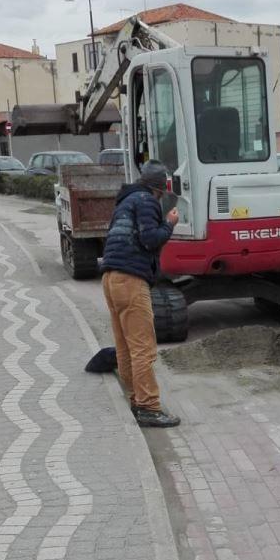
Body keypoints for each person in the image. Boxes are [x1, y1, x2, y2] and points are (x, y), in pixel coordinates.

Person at [100, 162, 181, 428]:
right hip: (131, 280)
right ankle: (148, 407)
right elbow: (150, 238)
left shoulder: (125, 202)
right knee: (143, 348)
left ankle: (136, 399)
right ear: (160, 187)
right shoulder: (147, 201)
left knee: (124, 346)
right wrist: (169, 223)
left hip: (111, 278)